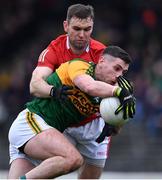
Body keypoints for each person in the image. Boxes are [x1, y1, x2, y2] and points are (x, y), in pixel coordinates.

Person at [8, 46, 135, 179]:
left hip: (42, 134)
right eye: (117, 68)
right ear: (102, 61)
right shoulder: (80, 66)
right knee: (73, 159)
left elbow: (116, 129)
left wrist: (115, 122)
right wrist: (120, 92)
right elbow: (89, 86)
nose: (119, 75)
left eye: (123, 72)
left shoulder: (111, 91)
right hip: (30, 124)